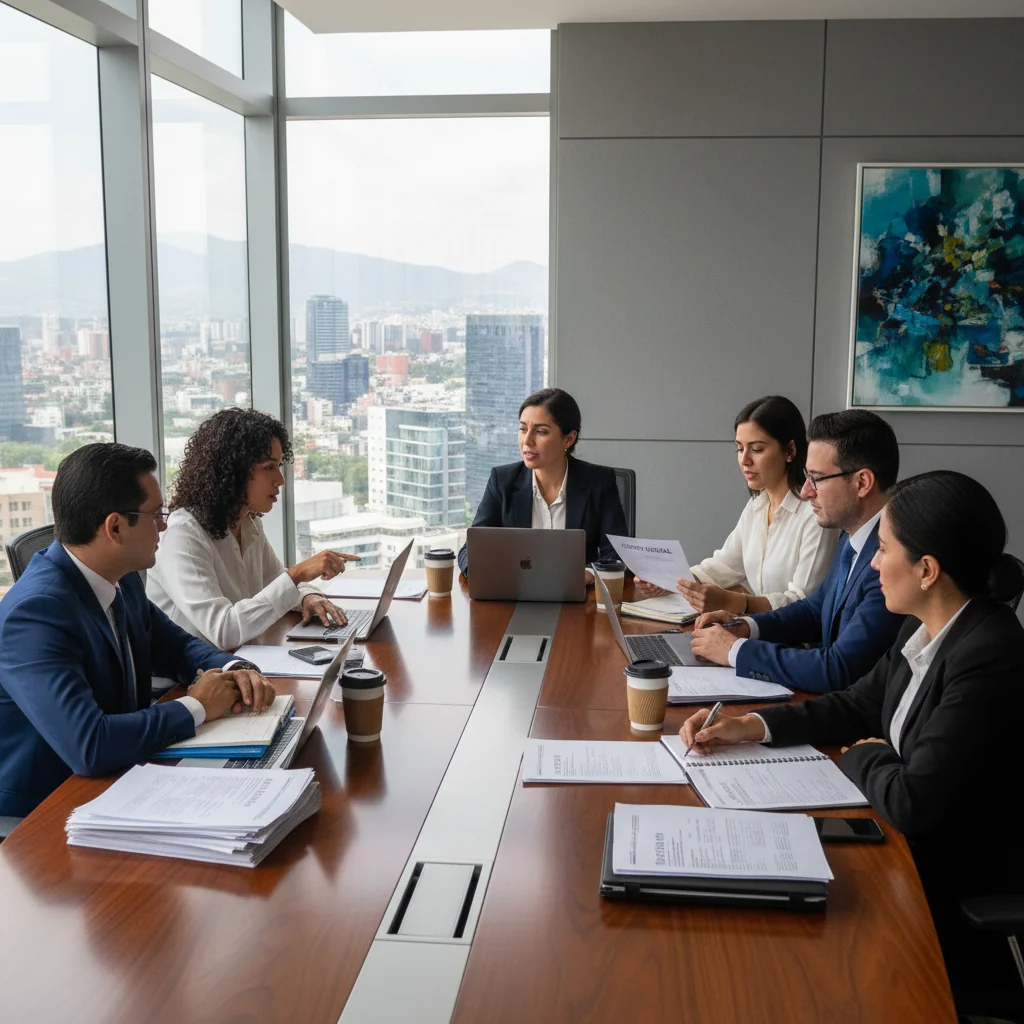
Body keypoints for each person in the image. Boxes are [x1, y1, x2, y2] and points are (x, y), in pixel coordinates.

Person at [680, 471, 1024, 1016]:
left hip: (939, 884)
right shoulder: (924, 626)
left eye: (883, 550)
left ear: (928, 570)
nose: (873, 564)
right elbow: (857, 705)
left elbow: (913, 800)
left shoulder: (989, 653)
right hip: (893, 845)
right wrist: (753, 726)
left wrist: (863, 753)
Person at [0, 443, 275, 818]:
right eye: (156, 514)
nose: (165, 524)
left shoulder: (120, 579)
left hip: (126, 777)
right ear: (115, 527)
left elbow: (175, 646)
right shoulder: (35, 614)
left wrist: (234, 671)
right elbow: (89, 745)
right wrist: (196, 705)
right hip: (49, 810)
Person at [690, 409, 905, 693]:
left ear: (862, 482)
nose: (805, 491)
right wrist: (745, 626)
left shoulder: (893, 559)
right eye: (806, 476)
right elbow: (815, 610)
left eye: (816, 478)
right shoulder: (853, 537)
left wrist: (735, 651)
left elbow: (838, 669)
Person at [147, 409, 360, 650]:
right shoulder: (184, 534)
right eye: (269, 467)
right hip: (188, 681)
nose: (280, 479)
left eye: (279, 466)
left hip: (237, 662)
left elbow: (277, 584)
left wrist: (310, 596)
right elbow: (224, 630)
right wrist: (298, 573)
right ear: (233, 470)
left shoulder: (248, 523)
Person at [635, 395, 837, 614]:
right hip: (761, 632)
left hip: (796, 643)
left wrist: (736, 601)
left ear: (790, 450)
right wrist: (667, 581)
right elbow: (725, 567)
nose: (744, 460)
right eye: (740, 449)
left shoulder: (815, 514)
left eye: (757, 449)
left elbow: (802, 602)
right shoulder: (757, 505)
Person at [457, 388, 628, 579]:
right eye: (523, 429)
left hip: (578, 599)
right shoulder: (502, 480)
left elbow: (616, 555)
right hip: (515, 595)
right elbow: (470, 549)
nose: (527, 441)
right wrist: (489, 576)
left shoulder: (599, 482)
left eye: (540, 431)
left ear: (568, 439)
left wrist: (588, 575)